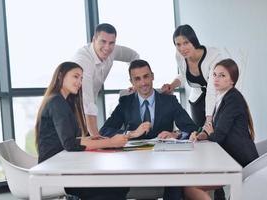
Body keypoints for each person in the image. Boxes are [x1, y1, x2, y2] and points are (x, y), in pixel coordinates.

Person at [100, 59, 198, 200]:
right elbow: (105, 130)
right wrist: (131, 134)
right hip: (133, 163)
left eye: (146, 76)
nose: (143, 83)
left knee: (177, 181)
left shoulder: (169, 101)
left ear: (152, 76)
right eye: (137, 79)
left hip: (165, 162)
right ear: (132, 81)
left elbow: (191, 128)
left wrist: (175, 134)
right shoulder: (125, 103)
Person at [35, 62, 129, 200]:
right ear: (61, 76)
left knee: (119, 186)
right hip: (55, 172)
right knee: (115, 188)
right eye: (75, 76)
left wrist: (96, 140)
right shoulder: (56, 102)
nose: (79, 82)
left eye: (81, 78)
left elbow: (71, 140)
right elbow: (70, 144)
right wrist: (110, 142)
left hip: (64, 165)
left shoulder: (63, 102)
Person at [186, 58, 259, 200]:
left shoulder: (233, 99)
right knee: (192, 180)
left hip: (240, 162)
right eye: (214, 74)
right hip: (229, 159)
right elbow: (212, 130)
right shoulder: (223, 98)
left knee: (190, 186)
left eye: (222, 75)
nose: (216, 79)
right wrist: (201, 135)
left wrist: (211, 132)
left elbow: (218, 135)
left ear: (232, 80)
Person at [71, 23, 139, 137]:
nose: (107, 47)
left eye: (111, 43)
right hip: (70, 108)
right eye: (103, 41)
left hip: (86, 109)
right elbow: (87, 101)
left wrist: (136, 82)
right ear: (94, 39)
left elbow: (134, 56)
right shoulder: (83, 60)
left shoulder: (113, 51)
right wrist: (96, 137)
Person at [161, 24, 222, 128]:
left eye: (186, 43)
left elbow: (212, 89)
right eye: (178, 44)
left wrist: (208, 121)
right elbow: (183, 75)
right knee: (199, 134)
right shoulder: (179, 56)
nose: (182, 48)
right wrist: (172, 85)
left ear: (193, 40)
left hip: (216, 97)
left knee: (216, 133)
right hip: (197, 100)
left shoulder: (213, 56)